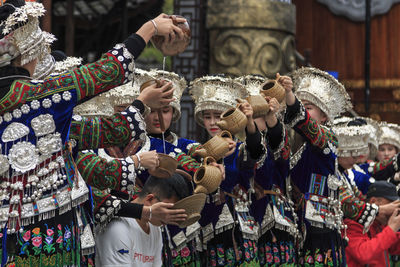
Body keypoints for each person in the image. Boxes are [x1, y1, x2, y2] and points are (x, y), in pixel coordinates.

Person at [0, 0, 186, 265]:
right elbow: (107, 71)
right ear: (28, 55)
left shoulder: (50, 113)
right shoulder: (41, 97)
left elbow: (105, 130)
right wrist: (149, 28)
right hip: (49, 229)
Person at [190, 75, 264, 266]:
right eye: (208, 117)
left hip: (241, 231)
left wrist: (249, 122)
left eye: (219, 116)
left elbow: (255, 155)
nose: (213, 122)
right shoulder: (196, 152)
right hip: (208, 230)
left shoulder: (243, 150)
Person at [95, 171, 191, 267]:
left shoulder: (154, 227)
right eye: (168, 209)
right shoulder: (118, 228)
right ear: (149, 199)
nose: (170, 216)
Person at [345, 181, 400, 267]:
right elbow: (363, 254)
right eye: (391, 205)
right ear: (373, 201)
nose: (394, 210)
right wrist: (391, 229)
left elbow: (396, 246)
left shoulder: (380, 224)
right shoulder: (353, 223)